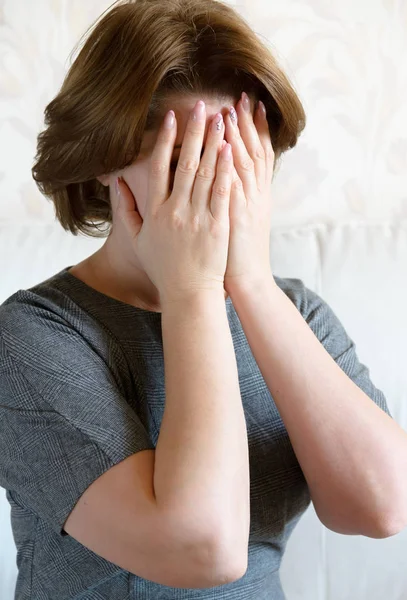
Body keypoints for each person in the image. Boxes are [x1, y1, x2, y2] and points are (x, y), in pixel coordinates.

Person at [0, 1, 400, 599]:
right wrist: (191, 290)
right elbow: (201, 547)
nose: (215, 190)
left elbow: (382, 506)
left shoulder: (295, 313)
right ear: (108, 165)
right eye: (186, 164)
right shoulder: (30, 338)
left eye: (234, 157)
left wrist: (253, 286)